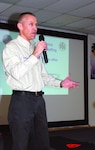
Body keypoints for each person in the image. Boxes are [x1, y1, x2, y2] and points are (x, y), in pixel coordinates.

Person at [2, 12, 79, 150]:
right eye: (31, 24)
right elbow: (16, 73)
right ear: (20, 26)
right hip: (22, 102)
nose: (35, 28)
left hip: (38, 101)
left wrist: (60, 83)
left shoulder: (34, 48)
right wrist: (35, 54)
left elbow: (43, 76)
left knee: (42, 143)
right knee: (20, 145)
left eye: (36, 24)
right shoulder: (11, 48)